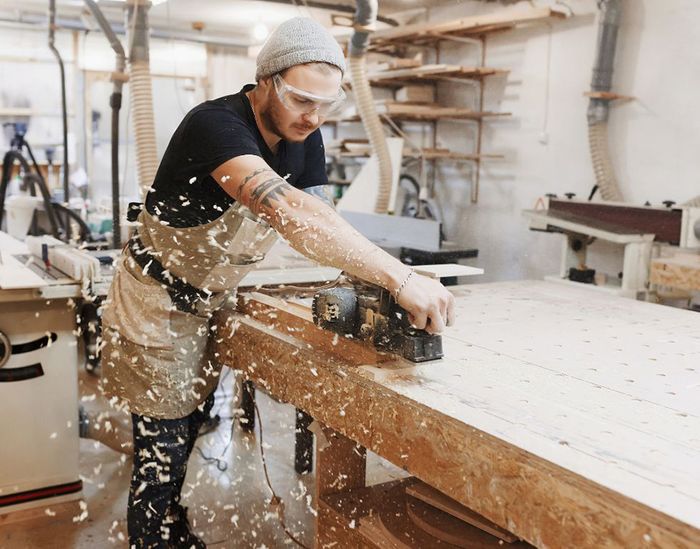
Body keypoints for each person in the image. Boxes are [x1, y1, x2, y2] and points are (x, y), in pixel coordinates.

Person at [99, 16, 455, 548]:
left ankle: (171, 526)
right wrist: (400, 276)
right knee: (161, 446)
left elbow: (324, 215)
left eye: (325, 106)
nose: (313, 118)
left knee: (192, 423)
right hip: (157, 301)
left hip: (213, 297)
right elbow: (291, 212)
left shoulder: (302, 133)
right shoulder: (216, 126)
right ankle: (153, 536)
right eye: (301, 101)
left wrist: (371, 281)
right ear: (264, 82)